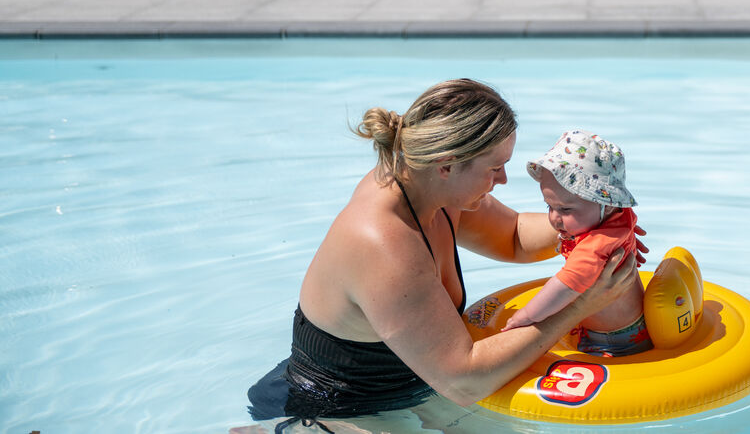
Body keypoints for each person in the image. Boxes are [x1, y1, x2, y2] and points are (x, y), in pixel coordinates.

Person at [246, 80, 642, 425]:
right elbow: (463, 379)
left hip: (415, 388)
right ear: (447, 165)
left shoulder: (432, 190)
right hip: (339, 411)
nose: (503, 179)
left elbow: (515, 237)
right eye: (494, 168)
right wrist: (580, 305)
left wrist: (594, 232)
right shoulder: (383, 241)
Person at [503, 130, 652, 357]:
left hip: (616, 342)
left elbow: (565, 286)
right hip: (617, 326)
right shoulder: (618, 215)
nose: (554, 218)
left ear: (607, 204)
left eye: (565, 209)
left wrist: (527, 316)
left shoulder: (597, 245)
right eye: (549, 207)